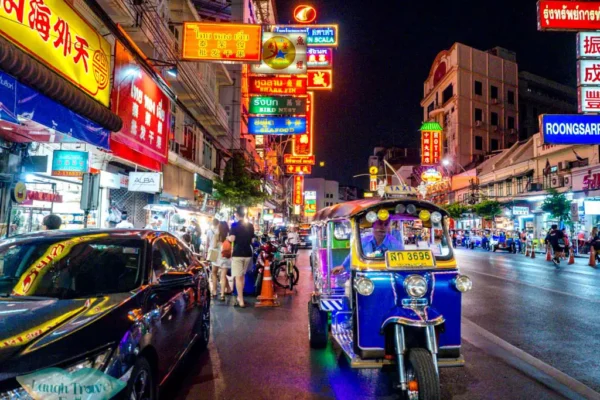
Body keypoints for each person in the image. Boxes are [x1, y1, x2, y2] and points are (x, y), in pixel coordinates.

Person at [332, 218, 403, 275]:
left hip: (387, 276)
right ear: (373, 225)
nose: (383, 227)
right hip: (366, 276)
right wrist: (343, 267)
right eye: (380, 223)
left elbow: (401, 264)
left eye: (386, 224)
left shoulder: (396, 245)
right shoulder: (363, 241)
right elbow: (353, 255)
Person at [228, 206, 254, 308]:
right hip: (248, 253)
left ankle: (241, 301)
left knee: (238, 278)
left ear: (237, 215)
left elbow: (232, 239)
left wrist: (229, 238)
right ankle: (240, 297)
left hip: (238, 253)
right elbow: (252, 240)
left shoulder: (234, 225)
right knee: (242, 276)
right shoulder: (250, 226)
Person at [211, 221, 232, 301]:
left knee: (214, 273)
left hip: (216, 255)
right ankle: (222, 294)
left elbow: (214, 246)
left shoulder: (217, 234)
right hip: (226, 256)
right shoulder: (229, 235)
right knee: (223, 275)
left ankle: (214, 291)